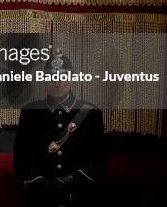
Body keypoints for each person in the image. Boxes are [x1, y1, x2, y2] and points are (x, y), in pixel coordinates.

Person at [13, 51, 108, 207]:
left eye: (63, 77)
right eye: (51, 77)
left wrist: (69, 181)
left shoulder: (91, 113)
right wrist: (43, 186)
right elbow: (21, 161)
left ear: (72, 80)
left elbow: (100, 163)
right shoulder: (30, 112)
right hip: (41, 198)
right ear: (45, 80)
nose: (57, 82)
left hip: (80, 196)